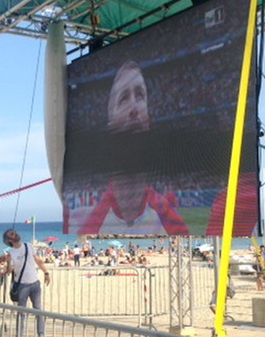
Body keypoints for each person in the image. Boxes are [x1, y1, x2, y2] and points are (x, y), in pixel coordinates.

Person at [79, 61, 189, 236]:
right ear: (110, 123)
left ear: (148, 119)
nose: (134, 108)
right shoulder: (91, 226)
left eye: (140, 96)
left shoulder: (173, 222)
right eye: (123, 98)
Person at [3, 228, 51, 337]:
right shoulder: (12, 253)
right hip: (22, 285)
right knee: (21, 312)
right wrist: (8, 262)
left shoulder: (28, 245)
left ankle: (41, 335)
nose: (16, 234)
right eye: (12, 234)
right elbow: (9, 271)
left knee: (38, 310)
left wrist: (46, 272)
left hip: (35, 283)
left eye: (15, 232)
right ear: (10, 240)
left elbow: (38, 260)